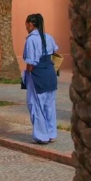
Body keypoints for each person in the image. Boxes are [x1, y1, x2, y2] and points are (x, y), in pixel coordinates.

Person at [23, 13, 59, 144]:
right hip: (50, 73)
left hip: (37, 75)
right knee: (49, 105)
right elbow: (55, 50)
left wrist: (27, 75)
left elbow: (31, 62)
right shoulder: (48, 37)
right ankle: (51, 134)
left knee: (36, 105)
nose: (26, 27)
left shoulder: (31, 40)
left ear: (30, 24)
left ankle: (41, 136)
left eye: (26, 25)